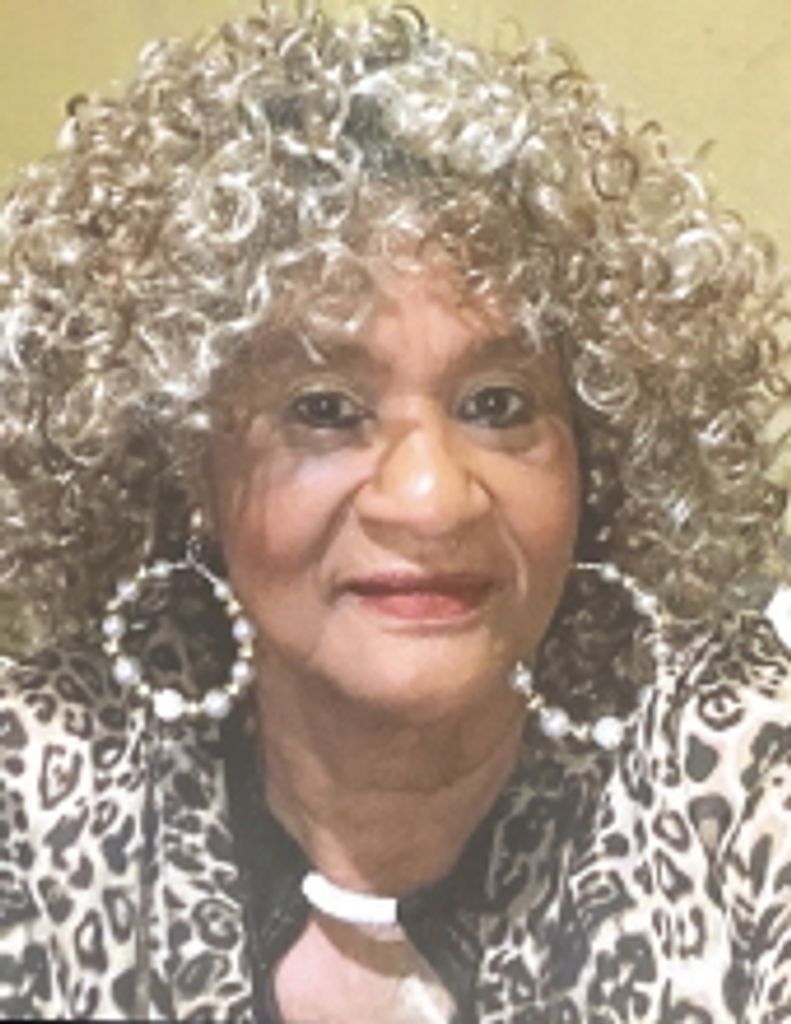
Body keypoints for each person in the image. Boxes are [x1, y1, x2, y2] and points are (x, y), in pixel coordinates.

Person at [0, 3, 789, 1021]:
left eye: (496, 405)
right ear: (187, 462)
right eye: (324, 409)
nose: (429, 499)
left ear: (598, 449)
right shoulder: (34, 786)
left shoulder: (747, 773)